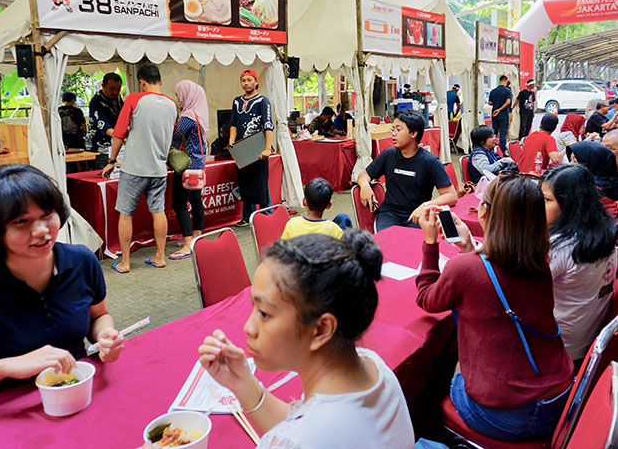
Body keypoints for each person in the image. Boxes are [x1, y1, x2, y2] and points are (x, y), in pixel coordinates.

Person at [0, 165, 124, 419]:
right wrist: (5, 367)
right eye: (20, 221)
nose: (41, 230)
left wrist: (104, 336)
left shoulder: (81, 262)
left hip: (73, 396)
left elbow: (97, 315)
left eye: (47, 214)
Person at [197, 231, 416, 448]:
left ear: (321, 329)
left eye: (264, 313)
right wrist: (243, 383)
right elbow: (304, 424)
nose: (249, 327)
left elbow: (301, 436)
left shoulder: (296, 441)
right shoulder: (374, 367)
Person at [416, 176, 573, 441]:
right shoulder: (538, 260)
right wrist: (468, 245)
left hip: (505, 417)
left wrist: (430, 244)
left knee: (441, 374)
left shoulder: (464, 270)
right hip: (559, 401)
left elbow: (427, 299)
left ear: (484, 212)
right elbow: (489, 275)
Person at [102, 64, 176, 273]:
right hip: (159, 169)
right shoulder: (172, 105)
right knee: (158, 211)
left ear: (141, 81)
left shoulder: (134, 99)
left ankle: (125, 263)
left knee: (126, 214)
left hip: (134, 168)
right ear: (160, 81)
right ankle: (160, 257)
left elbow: (118, 133)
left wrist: (112, 160)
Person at [541, 164, 617, 363]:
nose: (538, 205)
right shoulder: (605, 231)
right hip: (588, 336)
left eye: (547, 200)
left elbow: (516, 290)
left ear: (570, 205)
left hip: (560, 346)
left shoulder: (559, 246)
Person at [356, 110, 456, 231]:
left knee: (413, 245)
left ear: (413, 133)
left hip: (417, 215)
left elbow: (451, 195)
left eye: (398, 130)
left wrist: (426, 206)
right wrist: (365, 185)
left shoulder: (430, 161)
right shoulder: (388, 155)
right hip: (389, 214)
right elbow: (364, 174)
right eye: (392, 129)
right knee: (387, 242)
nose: (393, 134)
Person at [229, 69, 274, 227]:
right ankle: (247, 216)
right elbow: (233, 123)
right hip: (242, 148)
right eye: (243, 80)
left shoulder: (263, 101)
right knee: (245, 182)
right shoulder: (236, 101)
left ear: (256, 82)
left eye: (249, 80)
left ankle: (266, 215)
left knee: (260, 182)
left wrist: (267, 148)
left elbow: (268, 125)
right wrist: (231, 141)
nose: (246, 83)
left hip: (258, 147)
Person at [169, 80, 208, 260]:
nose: (177, 98)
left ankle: (187, 244)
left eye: (178, 94)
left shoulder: (187, 117)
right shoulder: (200, 115)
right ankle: (197, 235)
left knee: (179, 204)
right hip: (198, 166)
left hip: (185, 167)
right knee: (196, 200)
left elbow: (175, 141)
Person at [89, 72, 124, 153]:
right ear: (103, 86)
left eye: (118, 89)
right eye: (111, 89)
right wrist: (120, 136)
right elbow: (102, 124)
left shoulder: (118, 98)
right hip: (99, 145)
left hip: (115, 142)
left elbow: (124, 116)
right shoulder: (96, 101)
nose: (115, 92)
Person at [488, 75, 514, 154]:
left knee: (494, 132)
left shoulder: (493, 91)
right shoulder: (507, 91)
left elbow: (490, 102)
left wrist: (497, 105)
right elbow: (508, 102)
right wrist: (500, 109)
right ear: (506, 81)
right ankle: (502, 151)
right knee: (503, 133)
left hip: (494, 114)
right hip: (503, 114)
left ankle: (492, 149)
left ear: (499, 81)